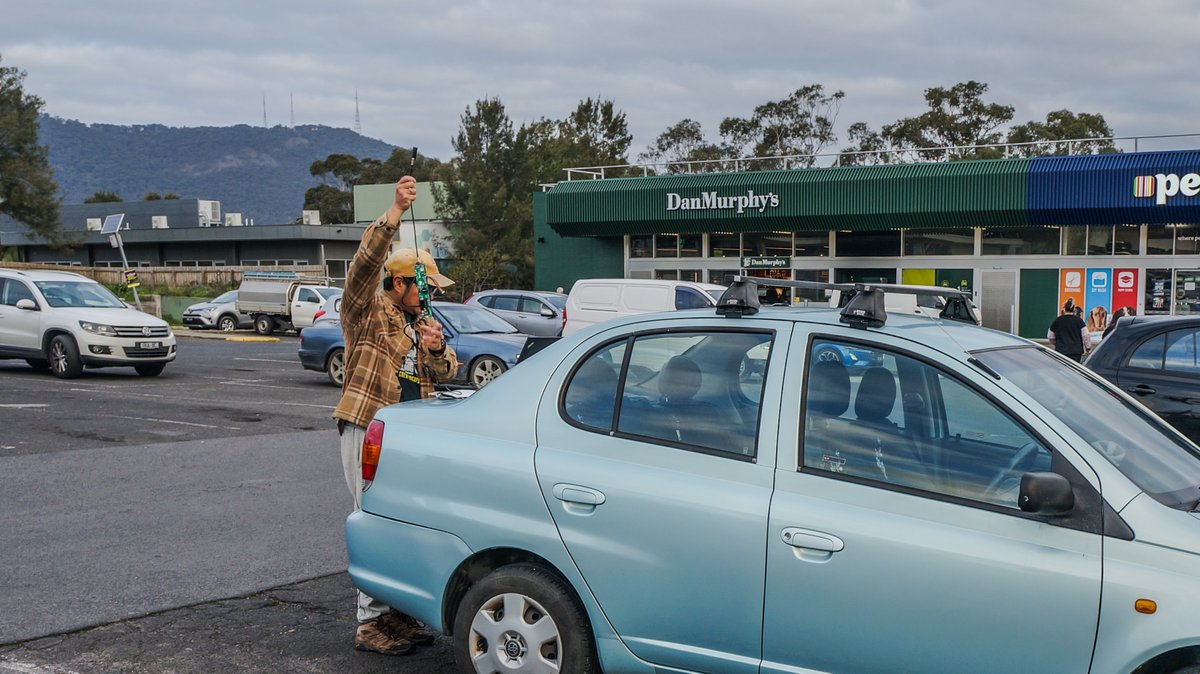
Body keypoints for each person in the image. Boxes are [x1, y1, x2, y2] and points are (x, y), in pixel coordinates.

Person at [332, 175, 458, 656]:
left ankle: (396, 614)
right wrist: (393, 214)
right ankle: (369, 624)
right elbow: (363, 266)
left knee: (404, 523)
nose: (429, 297)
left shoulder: (418, 322)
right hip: (368, 427)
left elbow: (444, 373)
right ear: (401, 282)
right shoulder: (366, 310)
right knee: (375, 519)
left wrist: (437, 345)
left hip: (407, 436)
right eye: (422, 287)